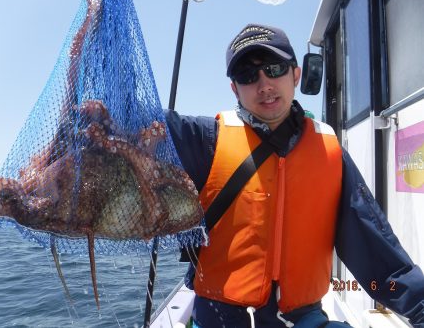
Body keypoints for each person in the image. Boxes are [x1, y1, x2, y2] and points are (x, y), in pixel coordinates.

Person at [164, 24, 424, 328]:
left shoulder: (330, 152)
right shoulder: (204, 139)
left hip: (301, 318)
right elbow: (134, 126)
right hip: (218, 316)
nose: (264, 85)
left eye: (274, 69)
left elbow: (378, 254)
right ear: (235, 88)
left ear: (296, 75)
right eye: (248, 76)